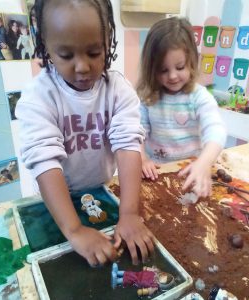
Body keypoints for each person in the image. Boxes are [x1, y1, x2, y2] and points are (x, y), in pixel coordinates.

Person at [15, 0, 154, 267]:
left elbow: (128, 146)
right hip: (56, 202)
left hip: (101, 191)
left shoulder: (118, 89)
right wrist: (74, 231)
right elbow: (44, 161)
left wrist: (129, 212)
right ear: (46, 46)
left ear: (108, 41)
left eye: (93, 52)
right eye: (66, 55)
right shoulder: (39, 96)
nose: (82, 67)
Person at [137, 17, 227, 198]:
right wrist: (142, 159)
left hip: (192, 171)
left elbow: (216, 129)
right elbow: (136, 133)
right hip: (157, 173)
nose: (172, 76)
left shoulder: (199, 96)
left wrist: (204, 163)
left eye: (180, 67)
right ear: (151, 69)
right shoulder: (148, 98)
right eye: (163, 70)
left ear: (192, 62)